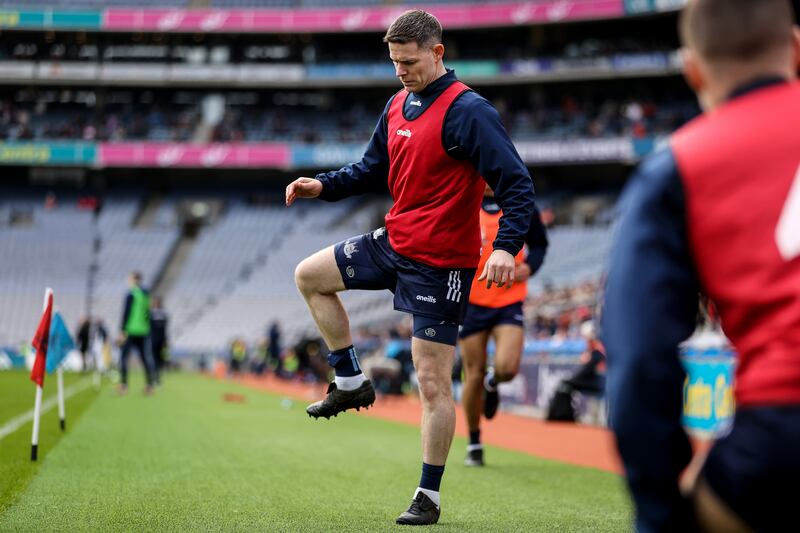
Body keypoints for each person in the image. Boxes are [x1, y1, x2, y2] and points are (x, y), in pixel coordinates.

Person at [285, 9, 535, 526]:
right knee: (309, 276)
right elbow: (371, 169)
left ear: (437, 52)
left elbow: (517, 185)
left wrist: (507, 247)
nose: (400, 71)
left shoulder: (470, 112)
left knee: (431, 383)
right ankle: (351, 380)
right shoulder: (397, 102)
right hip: (394, 241)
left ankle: (429, 495)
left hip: (440, 264)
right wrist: (323, 186)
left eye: (409, 61)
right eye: (395, 62)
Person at [603, 1, 800, 531]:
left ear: (691, 69)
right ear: (796, 47)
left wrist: (661, 510)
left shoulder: (678, 166)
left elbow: (639, 360)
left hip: (783, 428)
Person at [459, 186, 548, 467]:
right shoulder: (465, 203)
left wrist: (530, 267)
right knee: (471, 374)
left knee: (507, 368)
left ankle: (494, 381)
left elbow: (541, 244)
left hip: (509, 300)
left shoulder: (521, 206)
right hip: (471, 303)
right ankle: (474, 441)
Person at [118, 271, 156, 394]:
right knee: (145, 358)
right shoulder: (146, 294)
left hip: (130, 330)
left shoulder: (131, 294)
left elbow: (126, 313)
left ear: (134, 280)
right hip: (144, 331)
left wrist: (122, 330)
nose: (128, 282)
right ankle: (149, 385)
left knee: (124, 358)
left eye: (129, 279)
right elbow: (149, 313)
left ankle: (123, 386)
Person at [149, 295, 169, 384]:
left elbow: (164, 328)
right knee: (154, 358)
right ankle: (155, 377)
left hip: (160, 339)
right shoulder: (151, 313)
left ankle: (157, 376)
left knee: (160, 358)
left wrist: (165, 340)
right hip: (153, 339)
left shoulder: (163, 313)